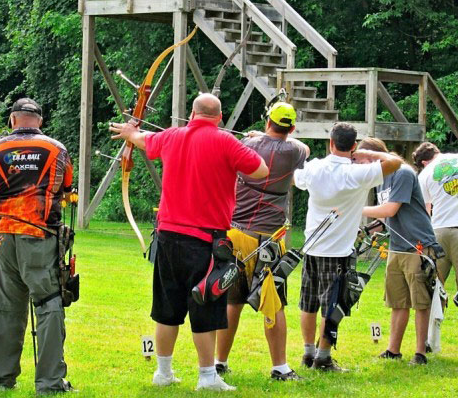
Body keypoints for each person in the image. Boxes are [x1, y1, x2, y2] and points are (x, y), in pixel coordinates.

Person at [109, 93, 268, 391]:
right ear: (219, 117)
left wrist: (131, 132)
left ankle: (163, 372)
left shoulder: (171, 136)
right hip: (206, 241)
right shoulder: (226, 141)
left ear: (191, 114)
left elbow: (144, 139)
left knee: (167, 307)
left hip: (168, 237)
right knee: (204, 304)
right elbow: (261, 170)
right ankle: (207, 377)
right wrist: (249, 144)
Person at [0, 98, 74, 394]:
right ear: (39, 121)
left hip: (2, 236)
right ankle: (50, 382)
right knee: (49, 302)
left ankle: (2, 380)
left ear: (13, 120)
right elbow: (65, 192)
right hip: (41, 236)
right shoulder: (57, 150)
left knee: (4, 307)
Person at [293, 124, 402, 372]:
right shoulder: (357, 174)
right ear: (353, 146)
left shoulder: (315, 167)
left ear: (331, 142)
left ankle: (308, 353)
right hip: (338, 251)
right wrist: (371, 154)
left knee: (308, 303)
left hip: (312, 246)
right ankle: (323, 358)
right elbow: (395, 162)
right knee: (332, 306)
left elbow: (295, 177)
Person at [215, 102, 309, 381]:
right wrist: (275, 136)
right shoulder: (294, 149)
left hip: (236, 234)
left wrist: (258, 137)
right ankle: (279, 367)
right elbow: (306, 148)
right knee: (274, 302)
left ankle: (220, 362)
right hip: (268, 239)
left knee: (233, 301)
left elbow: (252, 144)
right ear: (291, 127)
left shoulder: (247, 144)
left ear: (268, 121)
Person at [360, 137, 440, 365]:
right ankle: (393, 350)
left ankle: (420, 353)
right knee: (398, 302)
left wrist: (354, 209)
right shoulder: (380, 179)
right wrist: (370, 228)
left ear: (376, 157)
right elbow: (386, 216)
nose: (361, 167)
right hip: (397, 247)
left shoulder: (403, 173)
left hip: (418, 246)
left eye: (364, 161)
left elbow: (391, 209)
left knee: (421, 302)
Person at [413, 142, 458, 292]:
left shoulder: (424, 174)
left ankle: (435, 315)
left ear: (424, 163)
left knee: (434, 286)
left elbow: (425, 211)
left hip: (438, 231)